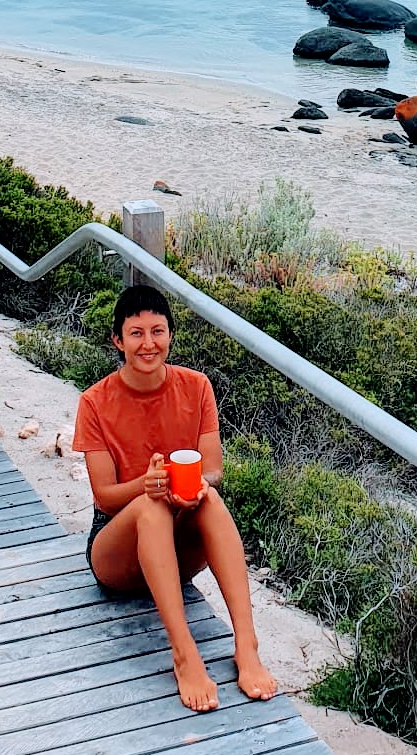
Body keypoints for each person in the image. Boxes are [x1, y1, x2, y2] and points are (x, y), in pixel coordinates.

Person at [72, 284, 278, 713]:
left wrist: (195, 486)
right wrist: (146, 487)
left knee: (212, 501)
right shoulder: (94, 402)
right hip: (118, 553)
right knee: (150, 507)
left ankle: (247, 644)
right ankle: (184, 654)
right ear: (118, 340)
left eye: (158, 331)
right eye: (136, 333)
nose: (148, 343)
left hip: (178, 545)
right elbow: (105, 497)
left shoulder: (196, 387)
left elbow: (214, 468)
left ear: (170, 335)